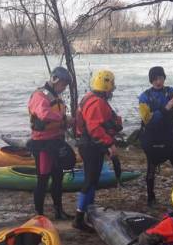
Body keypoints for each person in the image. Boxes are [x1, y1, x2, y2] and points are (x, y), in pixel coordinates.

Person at [73, 69, 123, 232]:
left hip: (90, 144)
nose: (113, 89)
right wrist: (109, 143)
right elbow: (94, 128)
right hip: (90, 146)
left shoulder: (92, 98)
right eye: (112, 85)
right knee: (90, 180)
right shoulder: (97, 102)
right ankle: (79, 218)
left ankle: (88, 211)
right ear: (106, 85)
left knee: (92, 180)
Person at [27, 66, 75, 220]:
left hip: (56, 142)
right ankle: (39, 215)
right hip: (42, 145)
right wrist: (63, 119)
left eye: (66, 85)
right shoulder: (40, 95)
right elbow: (44, 114)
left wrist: (69, 122)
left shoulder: (56, 97)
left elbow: (58, 118)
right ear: (54, 80)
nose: (64, 88)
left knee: (58, 177)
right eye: (63, 84)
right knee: (43, 179)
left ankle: (58, 211)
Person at [138, 66, 173, 207]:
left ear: (164, 78)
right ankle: (151, 198)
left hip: (168, 135)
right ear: (151, 80)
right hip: (152, 136)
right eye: (156, 79)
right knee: (151, 168)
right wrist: (166, 108)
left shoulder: (170, 91)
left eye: (161, 78)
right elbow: (147, 119)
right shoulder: (145, 96)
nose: (159, 81)